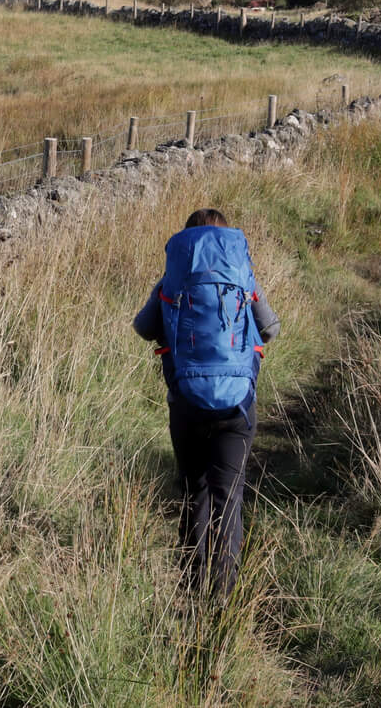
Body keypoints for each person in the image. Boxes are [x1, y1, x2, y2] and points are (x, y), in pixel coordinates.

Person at [132, 207, 279, 597]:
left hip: (186, 403)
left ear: (188, 241)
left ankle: (191, 587)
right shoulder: (241, 275)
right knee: (228, 496)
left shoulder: (174, 278)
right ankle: (222, 597)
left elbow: (144, 328)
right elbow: (271, 328)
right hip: (237, 407)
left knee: (193, 490)